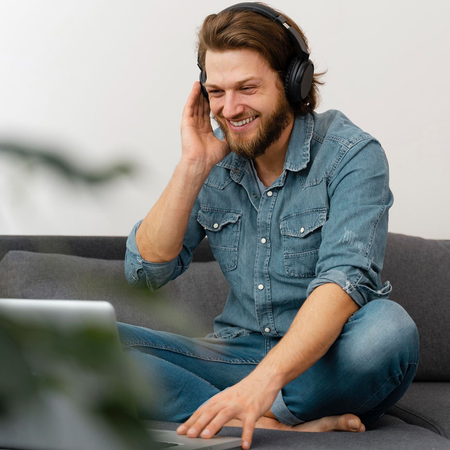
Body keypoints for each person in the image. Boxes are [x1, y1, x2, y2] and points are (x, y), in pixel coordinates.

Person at [120, 3, 419, 449]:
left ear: (293, 82)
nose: (230, 108)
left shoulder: (352, 155)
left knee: (388, 331)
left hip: (323, 363)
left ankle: (245, 409)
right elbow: (145, 272)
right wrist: (192, 165)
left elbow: (343, 283)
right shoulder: (215, 160)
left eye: (247, 88)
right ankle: (265, 422)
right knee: (87, 343)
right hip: (233, 356)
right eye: (216, 91)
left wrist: (263, 384)